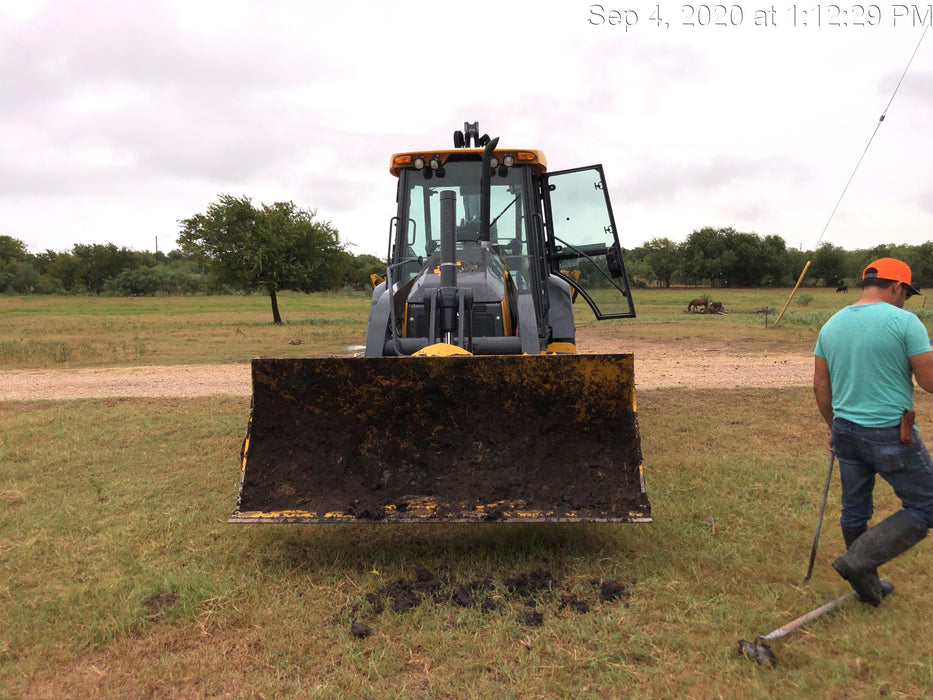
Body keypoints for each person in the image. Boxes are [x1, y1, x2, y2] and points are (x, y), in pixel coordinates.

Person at [813, 257, 933, 605]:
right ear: (897, 286)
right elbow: (929, 383)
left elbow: (821, 387)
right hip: (890, 432)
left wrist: (833, 427)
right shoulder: (905, 322)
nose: (905, 300)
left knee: (854, 509)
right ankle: (859, 561)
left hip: (846, 431)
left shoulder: (831, 325)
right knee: (927, 506)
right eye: (906, 293)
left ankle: (867, 586)